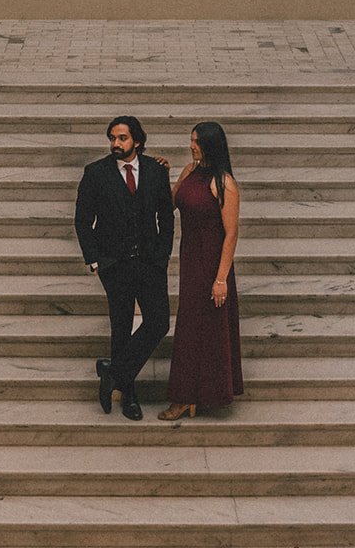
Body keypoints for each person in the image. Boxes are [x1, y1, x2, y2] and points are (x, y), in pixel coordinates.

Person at [73, 114, 173, 422]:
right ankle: (128, 394)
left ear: (138, 141)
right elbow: (82, 219)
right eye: (113, 138)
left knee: (158, 322)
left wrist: (162, 256)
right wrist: (94, 259)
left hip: (149, 263)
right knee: (121, 326)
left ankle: (112, 371)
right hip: (114, 264)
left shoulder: (156, 172)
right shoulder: (95, 173)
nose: (116, 144)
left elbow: (167, 218)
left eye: (122, 138)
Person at [159, 120, 242, 421]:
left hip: (212, 263)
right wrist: (163, 174)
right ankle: (189, 395)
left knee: (204, 329)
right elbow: (170, 204)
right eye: (191, 139)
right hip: (190, 258)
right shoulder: (189, 171)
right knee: (189, 327)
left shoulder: (225, 183)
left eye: (196, 141)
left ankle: (188, 397)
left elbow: (231, 234)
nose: (191, 145)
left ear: (210, 144)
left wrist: (221, 279)